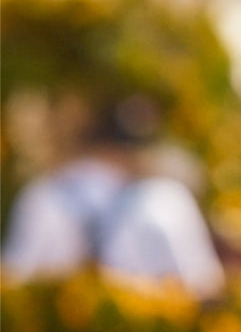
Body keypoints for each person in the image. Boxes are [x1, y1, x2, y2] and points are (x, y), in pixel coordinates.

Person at [1, 94, 224, 298]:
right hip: (150, 326)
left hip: (55, 328)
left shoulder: (42, 196)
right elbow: (206, 288)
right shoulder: (170, 199)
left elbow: (10, 284)